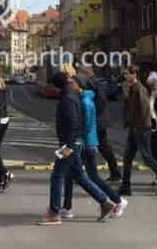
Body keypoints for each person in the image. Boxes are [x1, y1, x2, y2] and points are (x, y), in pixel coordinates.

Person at [39, 73, 117, 225]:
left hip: (71, 144)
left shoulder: (67, 99)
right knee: (80, 177)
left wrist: (68, 146)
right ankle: (105, 203)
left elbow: (73, 123)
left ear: (56, 86)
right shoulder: (71, 95)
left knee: (57, 176)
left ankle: (55, 213)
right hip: (75, 142)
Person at [63, 74, 126, 218]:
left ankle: (117, 200)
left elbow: (84, 126)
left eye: (72, 83)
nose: (69, 85)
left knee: (92, 177)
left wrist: (77, 144)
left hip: (86, 143)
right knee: (71, 175)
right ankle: (66, 207)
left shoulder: (85, 102)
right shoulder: (85, 98)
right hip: (86, 142)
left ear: (80, 85)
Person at [118, 67, 157, 196]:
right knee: (127, 157)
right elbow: (129, 107)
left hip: (141, 128)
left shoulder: (139, 89)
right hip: (134, 127)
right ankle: (126, 185)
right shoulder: (131, 89)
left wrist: (138, 126)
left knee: (147, 157)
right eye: (124, 74)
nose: (125, 76)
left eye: (127, 74)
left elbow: (144, 109)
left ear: (134, 74)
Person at [76, 63, 120, 182]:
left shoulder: (93, 82)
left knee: (101, 147)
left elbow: (101, 101)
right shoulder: (91, 82)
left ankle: (114, 173)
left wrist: (92, 114)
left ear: (88, 72)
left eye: (80, 71)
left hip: (97, 121)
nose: (78, 74)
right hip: (96, 120)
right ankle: (114, 173)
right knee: (94, 147)